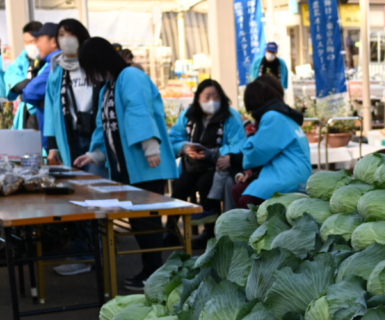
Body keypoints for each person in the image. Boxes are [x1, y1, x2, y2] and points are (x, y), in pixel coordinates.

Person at [73, 37, 178, 291]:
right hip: (129, 167)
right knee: (139, 221)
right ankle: (150, 271)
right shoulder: (109, 86)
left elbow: (139, 112)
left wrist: (150, 148)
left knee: (147, 223)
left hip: (146, 164)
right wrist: (95, 155)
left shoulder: (130, 76)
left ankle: (154, 274)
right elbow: (105, 126)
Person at [167, 78, 247, 246]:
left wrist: (217, 153)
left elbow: (239, 143)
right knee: (179, 188)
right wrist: (185, 148)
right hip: (191, 166)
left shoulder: (231, 116)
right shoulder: (188, 115)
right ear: (198, 98)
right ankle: (171, 231)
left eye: (215, 96)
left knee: (206, 184)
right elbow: (173, 138)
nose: (212, 100)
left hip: (216, 167)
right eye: (207, 96)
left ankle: (209, 233)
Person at [220, 75, 310, 208]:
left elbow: (256, 151)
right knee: (239, 190)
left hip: (285, 179)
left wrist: (233, 159)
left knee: (246, 200)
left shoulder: (272, 116)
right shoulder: (286, 117)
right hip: (295, 175)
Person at [44, 19, 102, 173]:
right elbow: (51, 108)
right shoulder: (57, 69)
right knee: (76, 180)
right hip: (70, 135)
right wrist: (53, 146)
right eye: (61, 34)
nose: (66, 39)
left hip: (97, 134)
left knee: (98, 180)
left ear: (81, 36)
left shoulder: (96, 64)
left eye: (71, 33)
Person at [18, 23, 60, 144]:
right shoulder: (53, 62)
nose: (37, 45)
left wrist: (46, 101)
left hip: (56, 138)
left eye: (39, 40)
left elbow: (29, 93)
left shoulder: (56, 63)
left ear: (53, 41)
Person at [5, 22, 43, 130]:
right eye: (26, 42)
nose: (28, 45)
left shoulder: (49, 59)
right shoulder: (25, 56)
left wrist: (29, 85)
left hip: (41, 111)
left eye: (31, 41)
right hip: (26, 111)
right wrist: (21, 84)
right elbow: (11, 72)